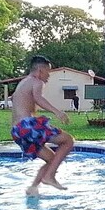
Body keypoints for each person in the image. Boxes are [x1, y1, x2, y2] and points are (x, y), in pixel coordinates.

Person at [11, 55, 74, 196]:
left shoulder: (22, 83)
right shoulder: (36, 82)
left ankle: (33, 188)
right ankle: (49, 177)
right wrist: (57, 112)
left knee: (52, 159)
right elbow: (38, 98)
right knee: (68, 141)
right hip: (27, 126)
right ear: (40, 70)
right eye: (48, 72)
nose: (48, 76)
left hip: (16, 131)